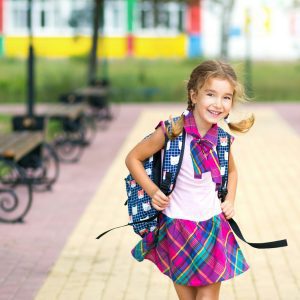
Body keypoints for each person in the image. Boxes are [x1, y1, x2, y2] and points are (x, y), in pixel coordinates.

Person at [125, 60, 255, 300]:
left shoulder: (222, 140)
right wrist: (153, 190)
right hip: (176, 227)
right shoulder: (171, 131)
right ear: (194, 95)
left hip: (212, 226)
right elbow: (133, 158)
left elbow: (233, 172)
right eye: (210, 94)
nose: (218, 104)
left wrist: (231, 200)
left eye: (226, 97)